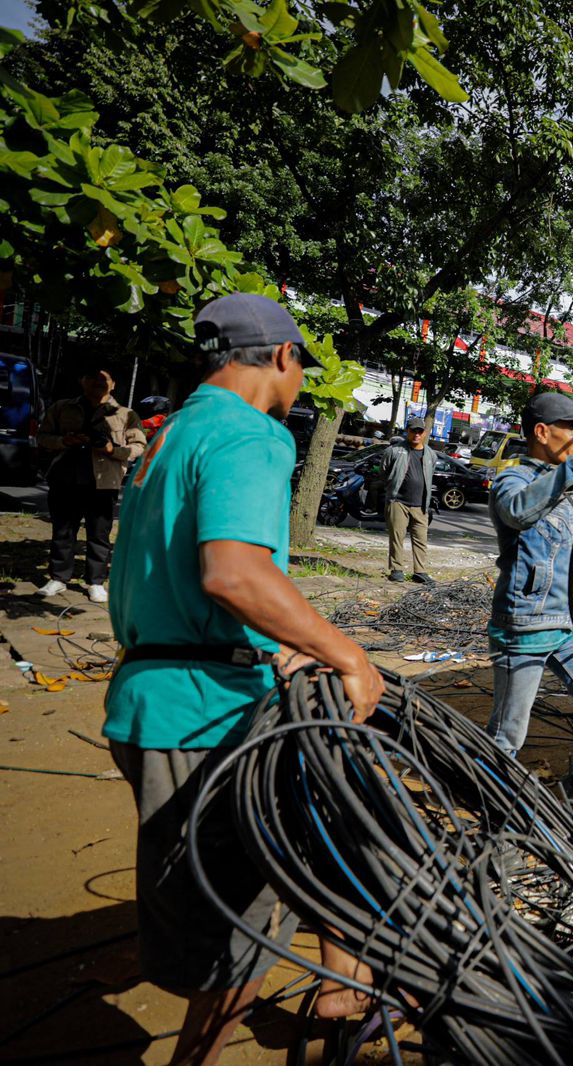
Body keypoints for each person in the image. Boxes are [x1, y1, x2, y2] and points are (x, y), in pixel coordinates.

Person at [105, 293, 386, 1066]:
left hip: (154, 697)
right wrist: (348, 656)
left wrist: (273, 648)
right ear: (284, 357)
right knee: (240, 937)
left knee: (315, 832)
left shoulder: (176, 431)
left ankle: (344, 981)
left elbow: (181, 581)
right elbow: (233, 572)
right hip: (204, 716)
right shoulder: (252, 433)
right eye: (302, 369)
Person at [483, 392, 573, 814]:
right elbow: (517, 512)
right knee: (508, 732)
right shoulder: (514, 481)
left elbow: (567, 555)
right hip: (524, 626)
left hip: (565, 623)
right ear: (542, 432)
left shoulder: (566, 484)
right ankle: (490, 802)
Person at [36, 369, 146, 602]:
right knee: (63, 531)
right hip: (65, 478)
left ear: (113, 384)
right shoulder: (62, 408)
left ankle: (95, 582)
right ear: (82, 381)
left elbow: (139, 446)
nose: (98, 383)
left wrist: (113, 450)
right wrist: (63, 441)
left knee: (99, 534)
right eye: (92, 378)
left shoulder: (126, 414)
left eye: (104, 379)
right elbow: (42, 437)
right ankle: (58, 578)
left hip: (104, 482)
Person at [381, 417, 437, 583]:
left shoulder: (431, 454)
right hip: (398, 502)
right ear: (407, 431)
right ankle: (396, 569)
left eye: (420, 431)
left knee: (421, 540)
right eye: (413, 431)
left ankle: (420, 571)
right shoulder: (394, 451)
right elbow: (384, 473)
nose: (417, 434)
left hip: (421, 505)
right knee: (397, 537)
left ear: (425, 433)